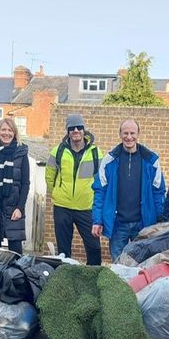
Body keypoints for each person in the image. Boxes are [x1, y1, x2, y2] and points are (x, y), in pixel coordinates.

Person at [91, 119, 166, 261]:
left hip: (143, 224)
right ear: (120, 134)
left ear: (138, 134)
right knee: (118, 268)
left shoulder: (152, 161)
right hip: (118, 225)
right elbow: (100, 192)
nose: (129, 137)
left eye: (132, 133)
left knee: (142, 266)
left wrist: (160, 221)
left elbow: (158, 193)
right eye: (125, 133)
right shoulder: (109, 160)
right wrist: (97, 220)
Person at [45, 113, 103, 264]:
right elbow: (49, 177)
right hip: (62, 206)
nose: (75, 130)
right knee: (63, 251)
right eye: (72, 128)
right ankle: (65, 280)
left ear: (84, 129)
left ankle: (93, 277)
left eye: (79, 127)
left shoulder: (96, 153)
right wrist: (57, 194)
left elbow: (102, 181)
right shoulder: (57, 152)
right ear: (68, 131)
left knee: (94, 248)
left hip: (86, 207)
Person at [0, 118, 30, 253]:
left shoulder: (21, 153)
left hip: (13, 209)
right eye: (3, 129)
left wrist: (20, 208)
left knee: (15, 253)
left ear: (14, 133)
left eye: (10, 130)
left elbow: (25, 183)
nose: (6, 133)